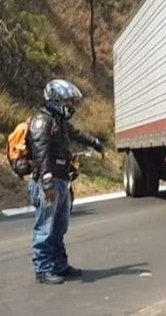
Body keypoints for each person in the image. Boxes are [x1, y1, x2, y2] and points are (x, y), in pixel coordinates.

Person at [27, 78, 105, 285]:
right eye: (66, 101)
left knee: (59, 228)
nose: (70, 106)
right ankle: (42, 270)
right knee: (45, 228)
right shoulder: (41, 122)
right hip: (48, 184)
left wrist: (96, 143)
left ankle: (59, 265)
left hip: (62, 181)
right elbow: (40, 153)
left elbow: (77, 134)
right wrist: (47, 182)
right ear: (53, 99)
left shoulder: (59, 122)